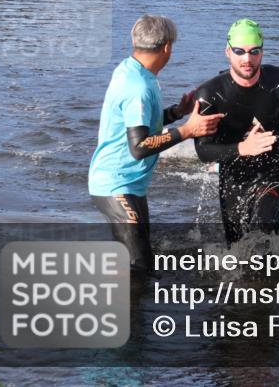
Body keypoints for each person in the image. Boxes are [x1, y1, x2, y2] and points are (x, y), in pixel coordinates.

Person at [89, 15, 224, 272]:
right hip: (115, 184)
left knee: (142, 261)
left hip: (130, 185)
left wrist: (176, 112)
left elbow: (138, 123)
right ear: (167, 48)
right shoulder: (137, 86)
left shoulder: (133, 70)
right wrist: (187, 130)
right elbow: (139, 147)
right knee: (138, 267)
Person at [194, 19, 279, 246]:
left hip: (273, 173)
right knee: (237, 250)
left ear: (262, 52)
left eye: (254, 51)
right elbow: (202, 151)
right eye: (239, 51)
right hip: (232, 179)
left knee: (259, 239)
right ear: (227, 52)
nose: (247, 59)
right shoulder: (210, 93)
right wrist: (242, 148)